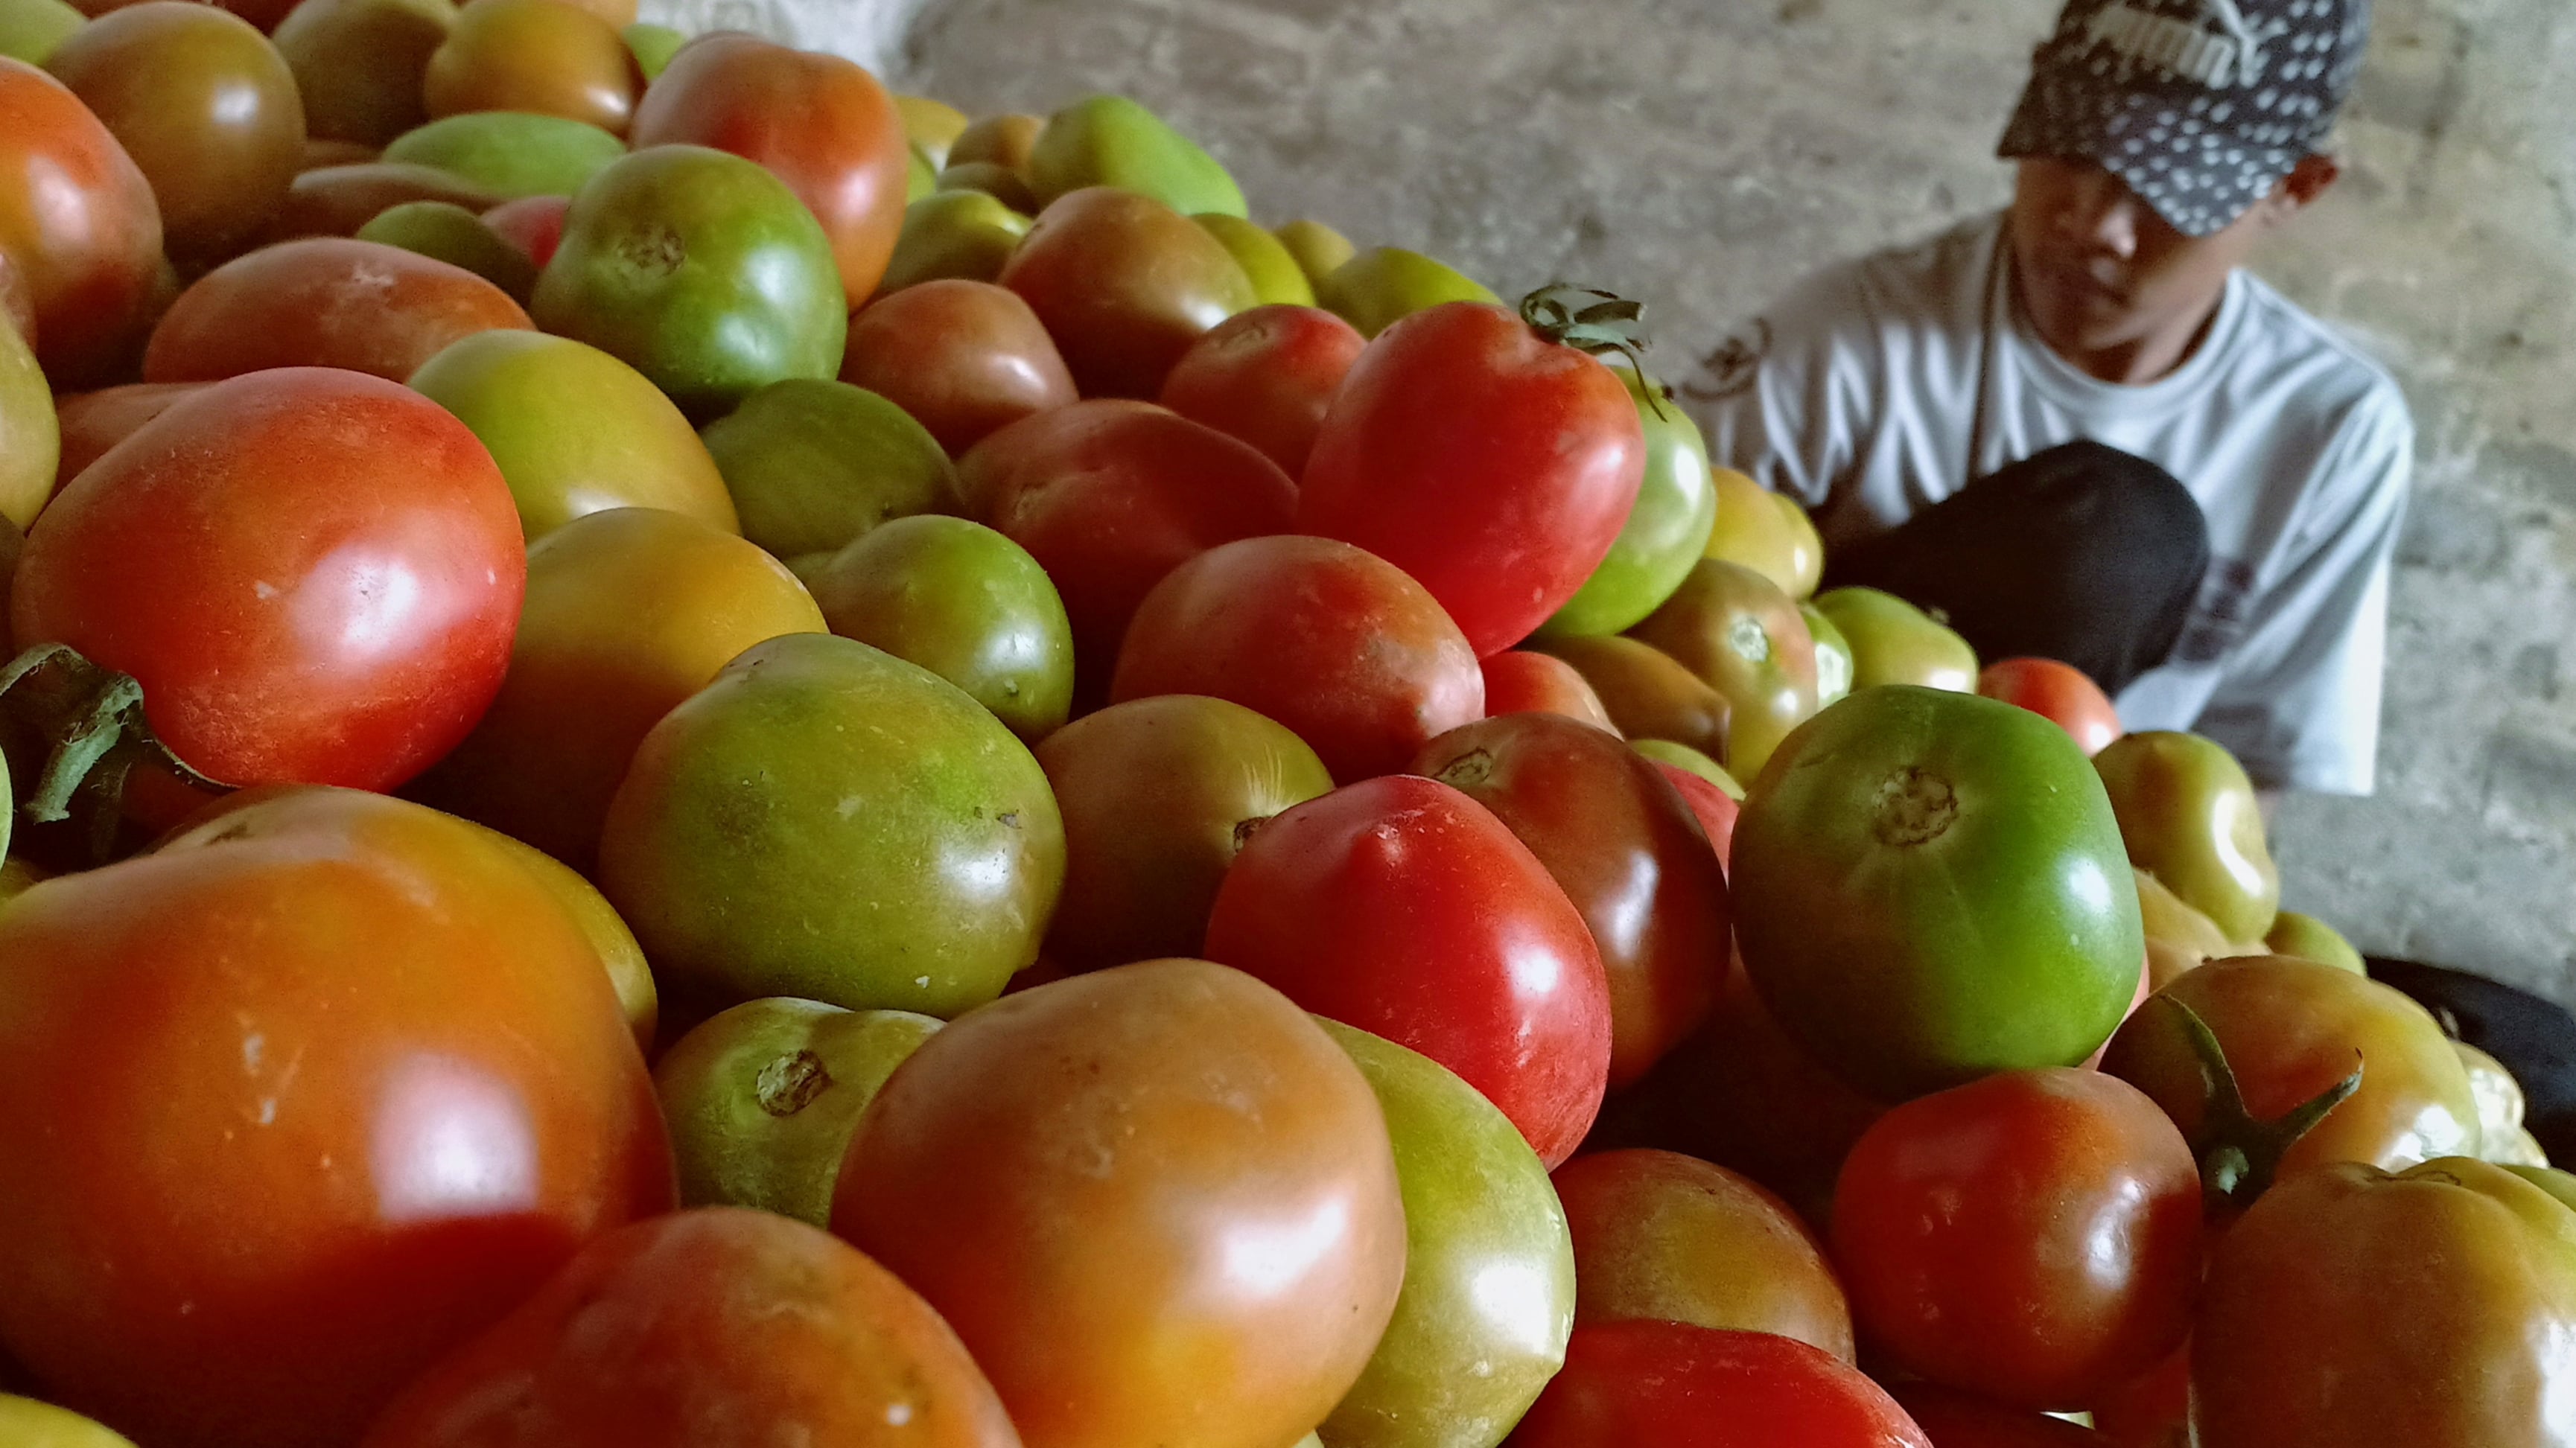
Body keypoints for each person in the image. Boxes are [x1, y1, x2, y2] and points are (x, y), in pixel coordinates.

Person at [1680, 0, 2407, 801]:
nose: (2092, 224)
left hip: (2059, 866)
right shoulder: (1853, 336)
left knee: (2120, 536)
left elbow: (2241, 792)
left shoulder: (2330, 436)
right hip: (1800, 796)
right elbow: (1644, 617)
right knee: (2111, 530)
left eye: (2167, 184)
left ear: (2296, 185)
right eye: (2070, 148)